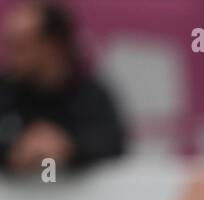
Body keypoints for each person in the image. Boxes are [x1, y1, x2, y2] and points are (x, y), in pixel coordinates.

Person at [0, 0, 126, 173]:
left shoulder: (90, 95)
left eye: (22, 45)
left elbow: (113, 143)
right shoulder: (5, 91)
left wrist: (67, 146)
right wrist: (12, 150)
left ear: (53, 45)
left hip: (81, 199)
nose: (12, 55)